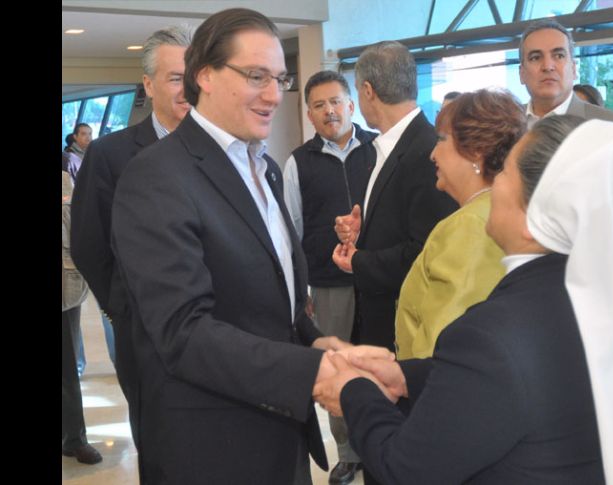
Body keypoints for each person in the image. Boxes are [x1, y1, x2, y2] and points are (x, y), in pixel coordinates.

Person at [314, 116, 613, 485]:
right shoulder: (605, 295)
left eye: (504, 172)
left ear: (536, 208)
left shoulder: (492, 333)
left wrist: (352, 390)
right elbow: (512, 385)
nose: (493, 183)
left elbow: (406, 467)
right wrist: (406, 376)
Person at [110, 9, 389, 484]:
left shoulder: (265, 168)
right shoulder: (157, 176)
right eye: (256, 76)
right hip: (212, 444)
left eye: (280, 79)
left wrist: (315, 340)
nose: (273, 95)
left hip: (279, 429)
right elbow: (183, 331)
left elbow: (271, 300)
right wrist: (314, 372)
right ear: (205, 77)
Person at [331, 39, 458, 485]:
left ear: (366, 91)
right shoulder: (385, 146)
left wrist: (358, 261)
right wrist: (358, 230)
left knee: (397, 458)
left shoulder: (425, 151)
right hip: (383, 323)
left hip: (406, 338)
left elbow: (424, 251)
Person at [70, 25, 193, 453]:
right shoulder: (111, 155)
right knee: (161, 446)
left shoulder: (224, 149)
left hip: (218, 334)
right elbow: (88, 242)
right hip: (144, 334)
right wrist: (121, 309)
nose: (187, 88)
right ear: (148, 84)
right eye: (176, 77)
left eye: (194, 75)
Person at [283, 69, 377, 485]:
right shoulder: (298, 162)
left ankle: (384, 440)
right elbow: (292, 230)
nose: (329, 111)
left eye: (336, 101)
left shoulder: (377, 149)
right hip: (327, 281)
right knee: (339, 366)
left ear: (352, 105)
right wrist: (300, 289)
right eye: (319, 105)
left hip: (378, 276)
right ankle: (348, 451)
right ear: (309, 113)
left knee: (379, 361)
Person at [395, 88, 525, 360]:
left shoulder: (471, 225)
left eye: (441, 140)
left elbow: (444, 340)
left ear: (476, 150)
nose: (432, 154)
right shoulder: (495, 211)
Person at [518, 19, 613, 129]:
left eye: (559, 56)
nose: (547, 66)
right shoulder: (504, 125)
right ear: (522, 73)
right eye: (535, 58)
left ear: (573, 68)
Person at [62, 172, 102, 465]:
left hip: (64, 287)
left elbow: (75, 228)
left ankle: (74, 438)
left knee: (65, 365)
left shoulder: (64, 180)